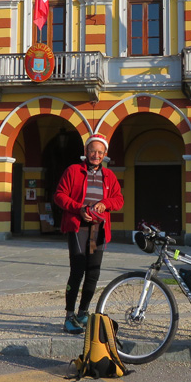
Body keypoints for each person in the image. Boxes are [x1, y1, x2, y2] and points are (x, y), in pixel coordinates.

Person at [53, 133, 124, 334]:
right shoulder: (73, 171)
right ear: (85, 151)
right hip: (78, 227)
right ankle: (69, 315)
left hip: (98, 229)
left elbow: (119, 200)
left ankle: (83, 312)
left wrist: (105, 204)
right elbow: (59, 195)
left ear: (105, 154)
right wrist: (79, 208)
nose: (96, 155)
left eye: (100, 152)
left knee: (93, 271)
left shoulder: (109, 176)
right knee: (77, 271)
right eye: (93, 151)